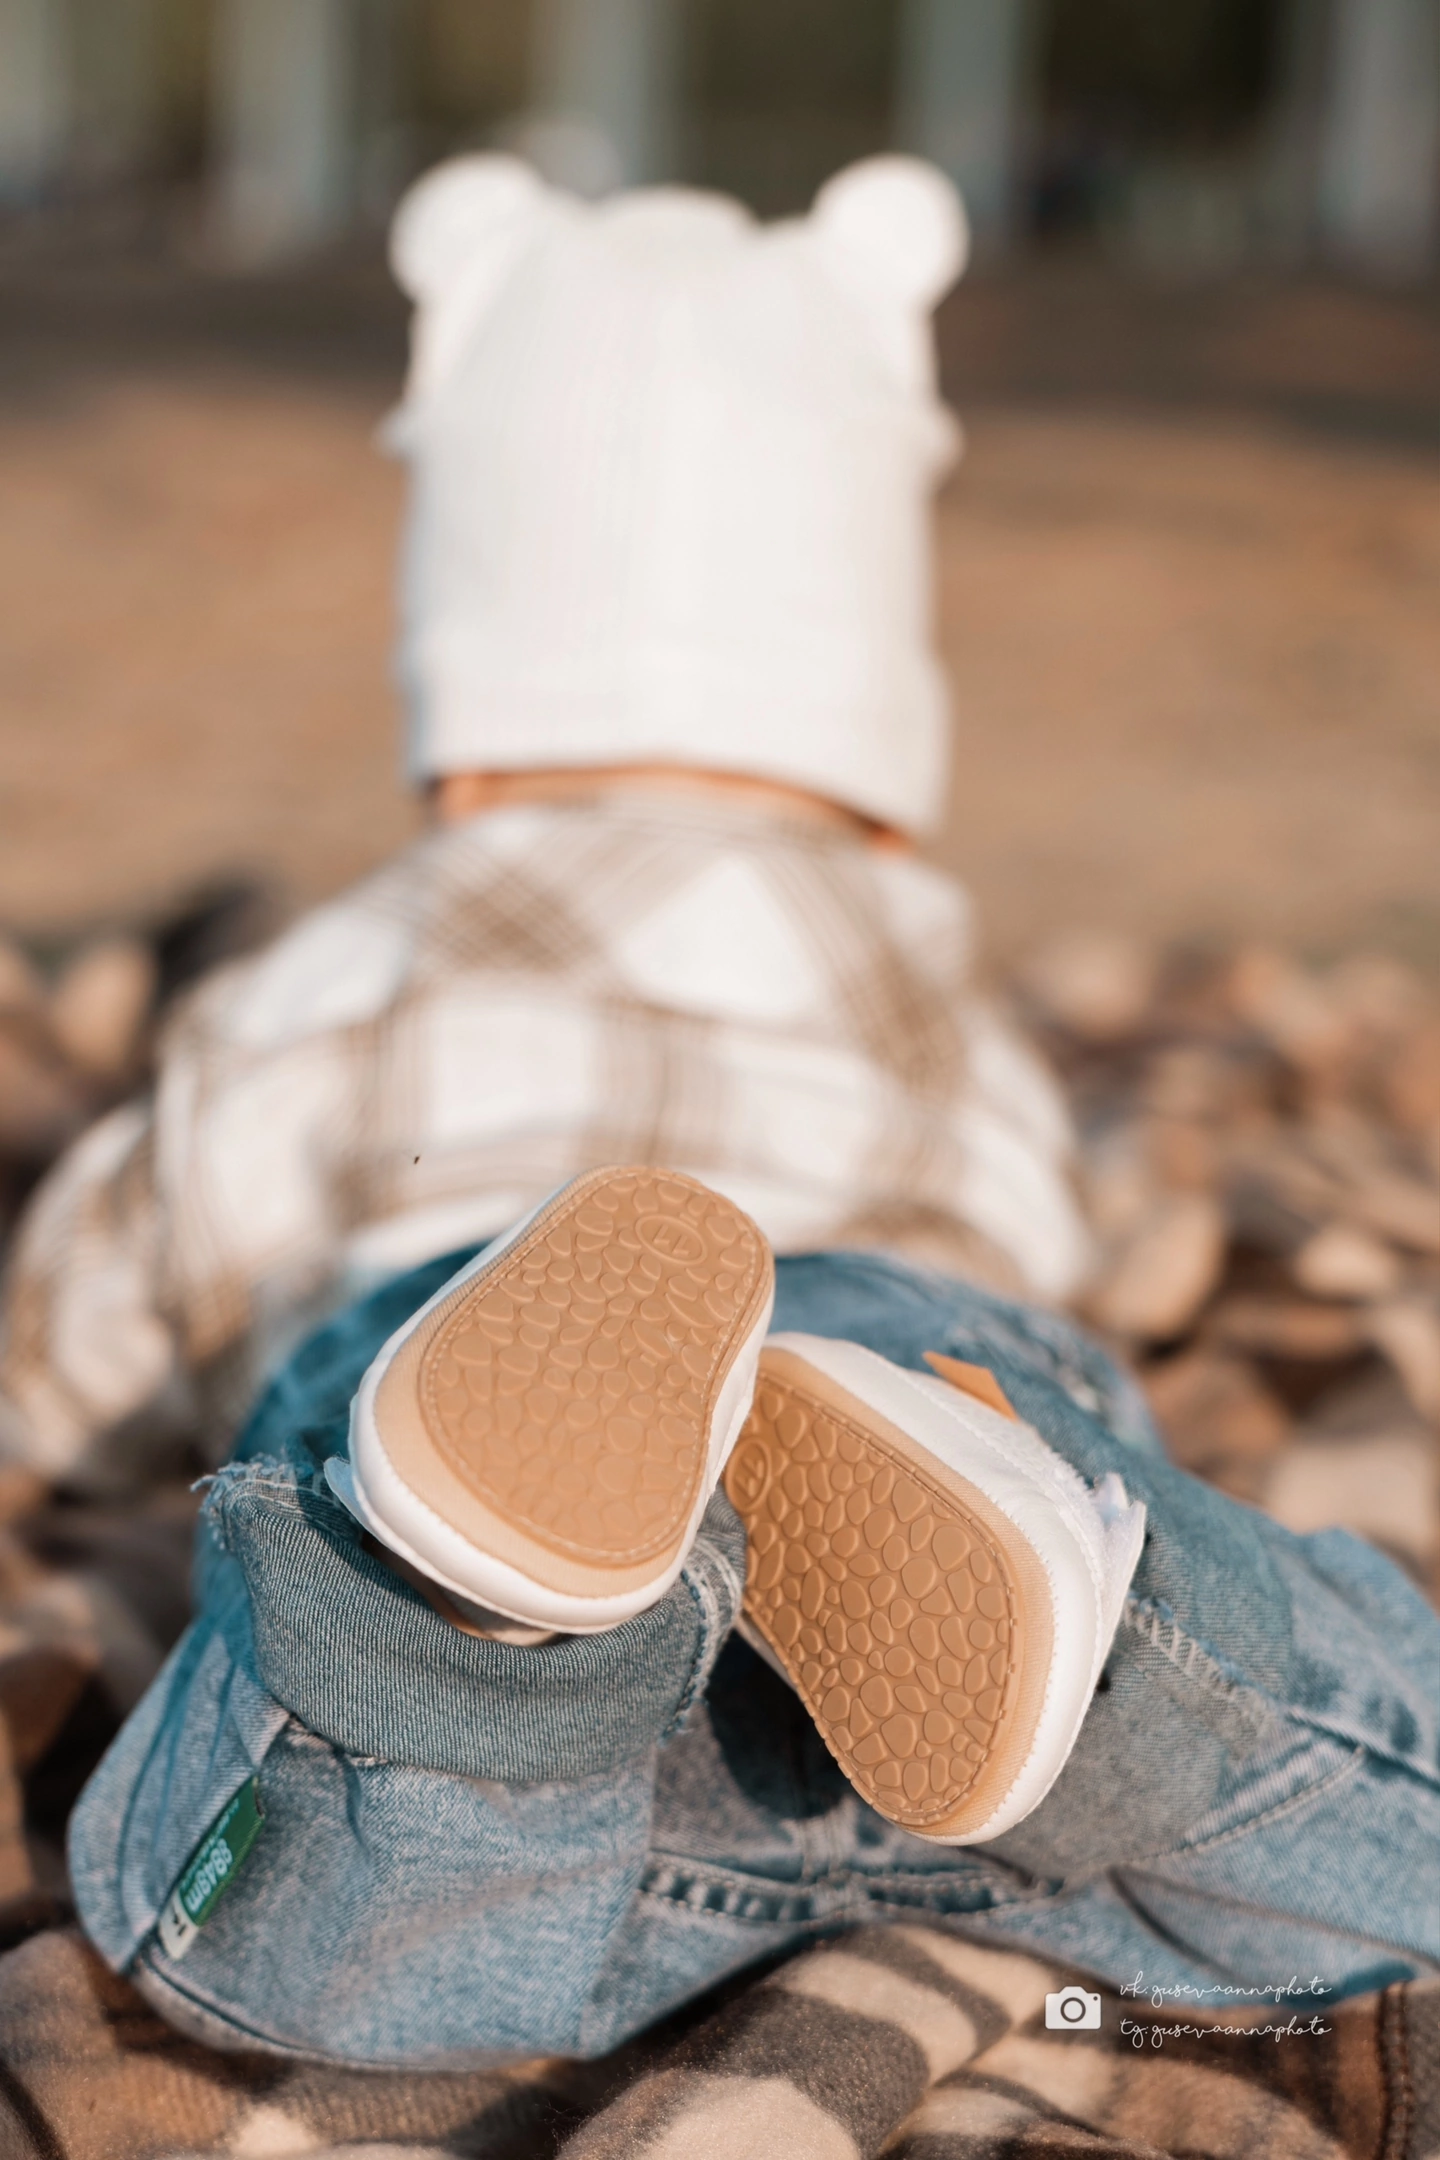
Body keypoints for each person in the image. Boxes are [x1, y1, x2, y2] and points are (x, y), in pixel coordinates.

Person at [27, 153, 1440, 2067]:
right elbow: (1034, 1214)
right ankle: (1122, 1623)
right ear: (871, 775)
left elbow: (108, 1284)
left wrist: (50, 1393)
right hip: (921, 1506)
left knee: (278, 1921)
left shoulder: (327, 977)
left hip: (464, 1399)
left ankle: (478, 1626)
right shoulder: (917, 978)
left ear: (467, 750)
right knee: (1374, 1837)